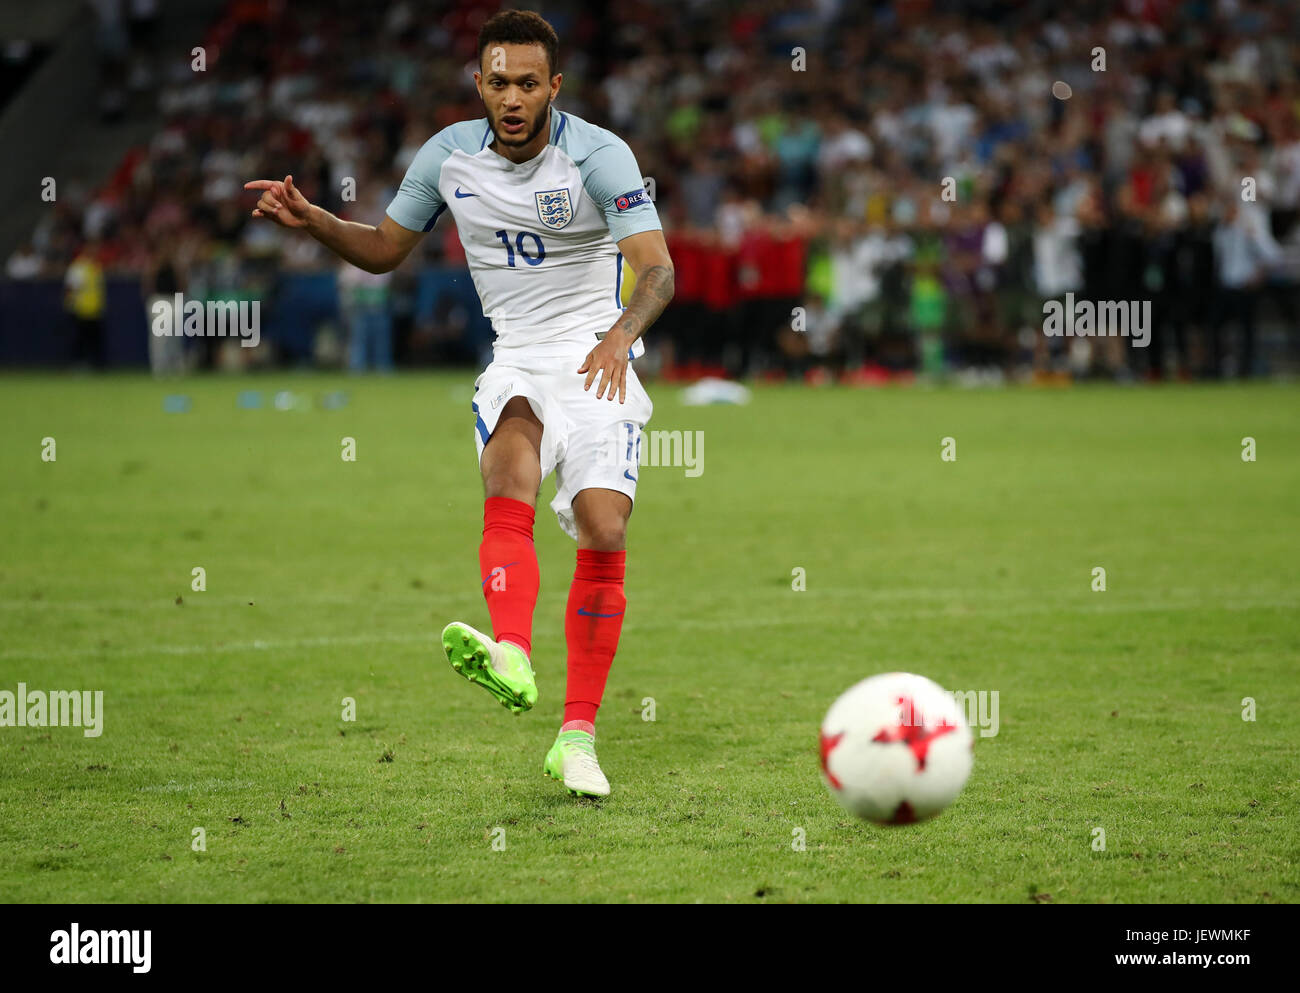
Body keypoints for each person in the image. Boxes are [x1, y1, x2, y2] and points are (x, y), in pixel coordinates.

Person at [244, 10, 674, 798]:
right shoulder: (446, 156)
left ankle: (576, 735)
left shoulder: (599, 156)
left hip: (598, 360)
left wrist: (619, 336)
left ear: (555, 87)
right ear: (480, 82)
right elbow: (382, 249)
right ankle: (511, 650)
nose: (512, 98)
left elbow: (657, 270)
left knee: (606, 528)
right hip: (518, 358)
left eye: (528, 84)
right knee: (508, 463)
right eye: (498, 82)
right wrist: (313, 221)